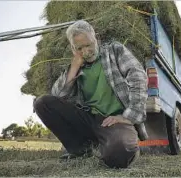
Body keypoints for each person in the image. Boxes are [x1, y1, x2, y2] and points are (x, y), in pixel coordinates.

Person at [33, 20, 148, 168]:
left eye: (88, 45)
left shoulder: (114, 51)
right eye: (79, 48)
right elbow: (57, 96)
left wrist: (129, 116)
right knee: (42, 103)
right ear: (73, 49)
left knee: (119, 154)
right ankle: (80, 149)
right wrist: (74, 66)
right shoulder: (76, 65)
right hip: (87, 118)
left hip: (113, 120)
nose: (85, 51)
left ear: (96, 38)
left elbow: (138, 76)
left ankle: (122, 148)